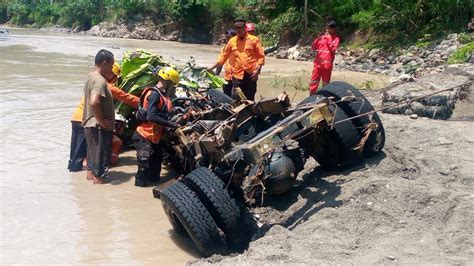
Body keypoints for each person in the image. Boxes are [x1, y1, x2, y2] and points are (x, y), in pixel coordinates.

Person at [133, 67, 180, 187]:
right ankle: (140, 192)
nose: (173, 88)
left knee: (155, 171)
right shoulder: (154, 94)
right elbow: (152, 116)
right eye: (173, 85)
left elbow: (163, 112)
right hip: (144, 135)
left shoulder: (162, 96)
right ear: (168, 82)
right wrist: (170, 124)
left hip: (155, 137)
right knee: (144, 168)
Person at [207, 19, 265, 101]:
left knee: (250, 97)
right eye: (236, 28)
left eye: (240, 28)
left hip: (251, 74)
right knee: (236, 98)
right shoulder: (232, 41)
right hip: (237, 75)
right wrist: (211, 68)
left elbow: (261, 56)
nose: (238, 30)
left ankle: (251, 113)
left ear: (245, 28)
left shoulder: (254, 40)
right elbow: (223, 57)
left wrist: (258, 70)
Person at [82, 49, 116, 184]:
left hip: (90, 126)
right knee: (100, 171)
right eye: (112, 65)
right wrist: (102, 122)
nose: (113, 69)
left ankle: (92, 198)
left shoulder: (90, 77)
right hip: (98, 128)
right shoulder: (100, 81)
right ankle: (101, 200)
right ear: (105, 63)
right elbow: (94, 101)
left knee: (92, 167)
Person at [309, 20, 340, 94]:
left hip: (327, 67)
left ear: (333, 29)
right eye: (326, 28)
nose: (327, 30)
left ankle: (323, 98)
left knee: (326, 84)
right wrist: (317, 39)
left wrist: (329, 39)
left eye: (329, 28)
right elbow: (313, 47)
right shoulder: (322, 37)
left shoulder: (336, 39)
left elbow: (333, 50)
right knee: (314, 82)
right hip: (318, 65)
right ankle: (311, 97)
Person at [215, 29, 237, 97]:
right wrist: (216, 75)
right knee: (226, 97)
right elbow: (220, 62)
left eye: (229, 38)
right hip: (227, 77)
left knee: (234, 96)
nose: (228, 40)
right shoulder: (224, 48)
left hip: (237, 78)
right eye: (227, 38)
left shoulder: (238, 48)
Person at [68, 97, 87, 172]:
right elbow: (123, 96)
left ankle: (71, 167)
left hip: (75, 118)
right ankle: (76, 168)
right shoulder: (106, 87)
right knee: (80, 147)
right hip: (83, 119)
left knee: (74, 144)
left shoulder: (89, 88)